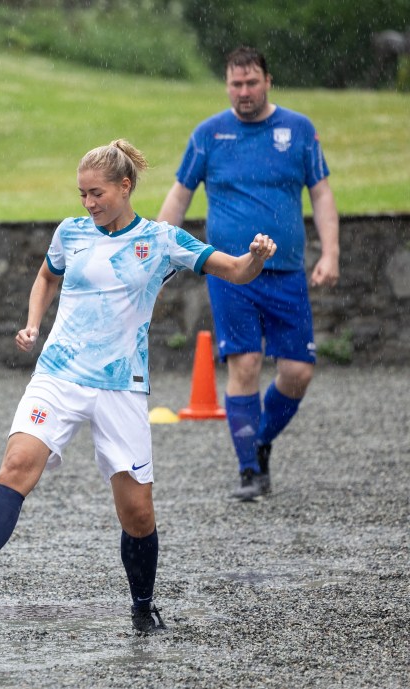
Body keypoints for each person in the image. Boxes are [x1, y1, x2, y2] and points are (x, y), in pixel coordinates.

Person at [0, 140, 277, 635]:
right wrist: (32, 324)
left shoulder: (161, 241)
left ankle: (142, 604)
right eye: (82, 194)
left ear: (125, 186)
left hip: (120, 387)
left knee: (136, 512)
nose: (88, 204)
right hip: (58, 376)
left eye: (97, 193)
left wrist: (256, 256)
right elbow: (47, 276)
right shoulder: (71, 233)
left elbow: (236, 270)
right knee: (17, 465)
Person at [157, 46, 340, 502]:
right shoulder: (209, 135)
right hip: (231, 272)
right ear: (227, 85)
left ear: (267, 81)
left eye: (251, 82)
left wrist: (330, 252)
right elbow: (179, 196)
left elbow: (321, 195)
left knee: (297, 372)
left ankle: (257, 441)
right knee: (245, 365)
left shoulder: (298, 130)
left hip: (286, 273)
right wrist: (159, 251)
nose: (243, 92)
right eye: (235, 84)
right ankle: (249, 473)